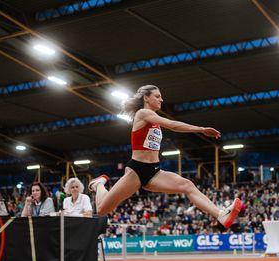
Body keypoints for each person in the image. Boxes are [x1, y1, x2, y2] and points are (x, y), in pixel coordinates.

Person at [89, 85, 242, 228]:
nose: (161, 99)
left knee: (187, 185)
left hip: (154, 171)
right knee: (102, 209)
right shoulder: (143, 113)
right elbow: (172, 125)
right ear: (146, 98)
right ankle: (99, 184)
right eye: (157, 96)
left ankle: (220, 215)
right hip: (136, 170)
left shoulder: (154, 120)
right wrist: (201, 129)